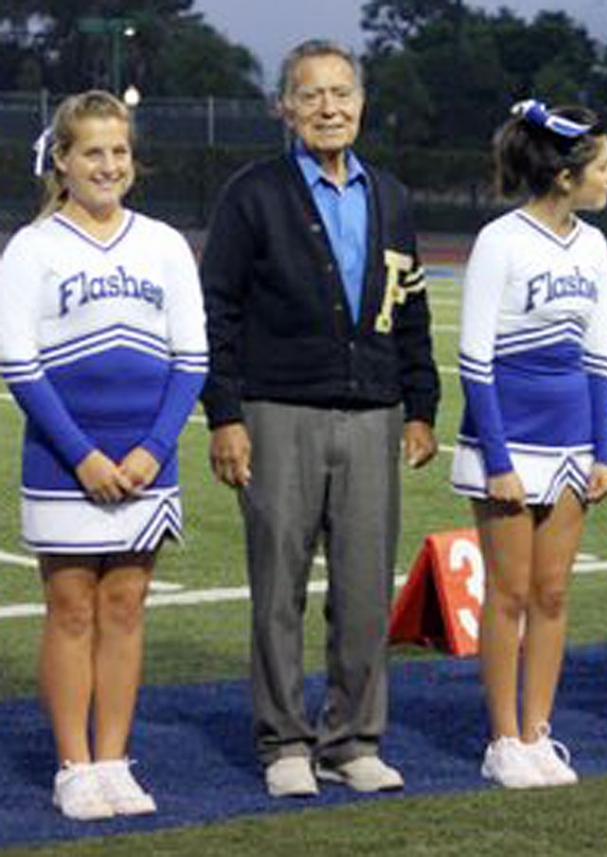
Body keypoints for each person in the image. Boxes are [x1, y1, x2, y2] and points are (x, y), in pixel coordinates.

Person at [200, 39, 439, 798]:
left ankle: (354, 737)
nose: (329, 108)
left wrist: (421, 404)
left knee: (367, 586)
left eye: (341, 93)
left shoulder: (393, 195)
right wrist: (226, 415)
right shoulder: (253, 193)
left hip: (373, 412)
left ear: (362, 103)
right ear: (286, 107)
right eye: (311, 95)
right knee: (278, 587)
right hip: (277, 412)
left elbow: (413, 307)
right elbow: (217, 312)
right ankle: (285, 743)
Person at [0, 90, 208, 819]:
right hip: (65, 461)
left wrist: (154, 449)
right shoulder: (33, 247)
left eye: (119, 152)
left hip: (147, 461)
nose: (108, 165)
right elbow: (19, 364)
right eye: (92, 151)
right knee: (70, 607)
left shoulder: (163, 243)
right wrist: (84, 456)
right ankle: (73, 763)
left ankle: (115, 758)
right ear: (61, 160)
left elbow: (192, 358)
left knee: (125, 605)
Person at [451, 99, 607, 789]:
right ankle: (503, 738)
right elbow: (474, 357)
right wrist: (498, 462)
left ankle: (539, 730)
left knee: (553, 594)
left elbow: (600, 351)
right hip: (509, 447)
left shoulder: (595, 246)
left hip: (573, 445)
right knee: (510, 593)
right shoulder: (502, 240)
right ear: (565, 174)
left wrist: (604, 450)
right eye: (604, 164)